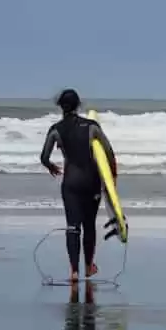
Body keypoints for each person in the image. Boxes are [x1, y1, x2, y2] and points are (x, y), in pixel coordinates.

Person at [40, 89, 118, 282]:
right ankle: (89, 267)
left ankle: (74, 271)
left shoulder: (56, 129)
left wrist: (51, 167)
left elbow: (44, 157)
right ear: (78, 105)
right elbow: (109, 152)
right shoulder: (92, 126)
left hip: (71, 183)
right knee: (89, 225)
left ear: (61, 106)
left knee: (73, 226)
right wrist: (112, 177)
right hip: (91, 181)